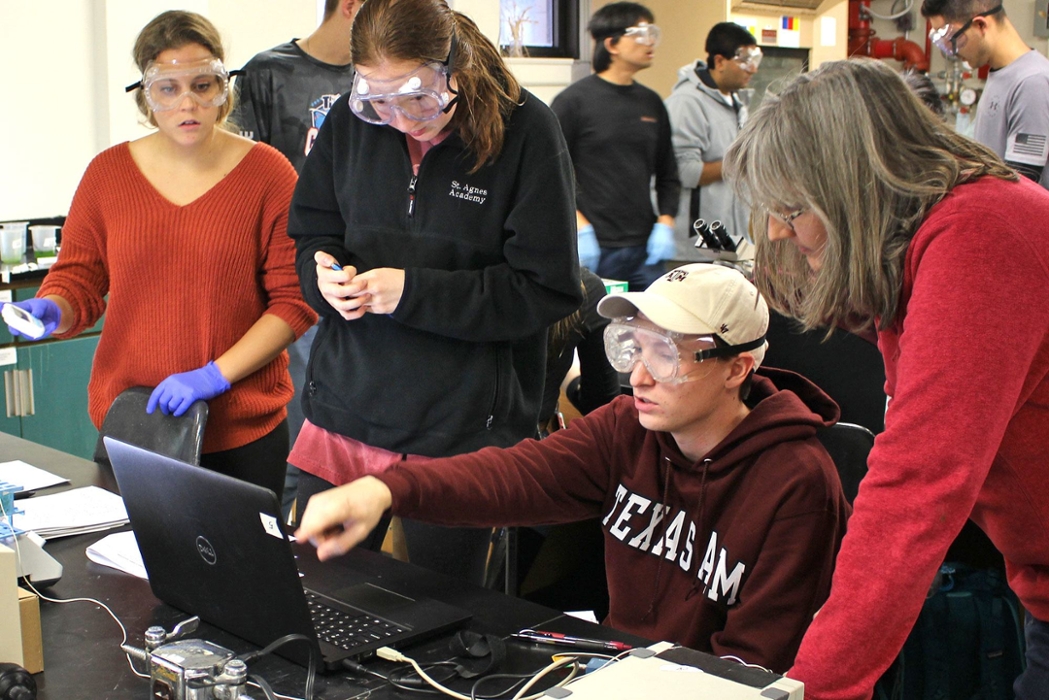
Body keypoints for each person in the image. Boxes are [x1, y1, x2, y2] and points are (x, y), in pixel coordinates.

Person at [296, 263, 851, 673]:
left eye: (668, 353)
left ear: (738, 368)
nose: (638, 375)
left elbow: (756, 666)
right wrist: (383, 491)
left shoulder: (796, 483)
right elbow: (515, 476)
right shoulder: (627, 426)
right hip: (620, 671)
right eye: (633, 347)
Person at [724, 57, 1049, 699]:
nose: (777, 230)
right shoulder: (933, 233)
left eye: (792, 208)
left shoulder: (982, 232)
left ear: (852, 188)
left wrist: (813, 689)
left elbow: (917, 484)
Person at [286, 0, 582, 584]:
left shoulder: (527, 130)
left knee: (444, 611)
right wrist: (322, 276)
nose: (400, 117)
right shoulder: (351, 122)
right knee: (319, 596)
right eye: (379, 99)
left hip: (462, 426)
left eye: (418, 96)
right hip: (348, 407)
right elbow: (312, 230)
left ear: (457, 67)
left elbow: (545, 289)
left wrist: (413, 293)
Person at [0, 10, 317, 499]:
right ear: (147, 98)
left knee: (240, 573)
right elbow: (78, 280)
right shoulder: (107, 175)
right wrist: (53, 308)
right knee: (125, 572)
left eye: (203, 84)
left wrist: (215, 375)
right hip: (135, 426)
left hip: (241, 433)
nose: (187, 103)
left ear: (223, 89)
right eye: (168, 88)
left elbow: (294, 302)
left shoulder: (269, 175)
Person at [231, 0, 364, 517]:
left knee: (345, 430)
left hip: (362, 276)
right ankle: (283, 547)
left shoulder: (379, 75)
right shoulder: (270, 73)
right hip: (293, 274)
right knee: (296, 426)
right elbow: (242, 178)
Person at [550, 2, 681, 290]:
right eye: (641, 33)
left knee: (654, 331)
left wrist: (666, 222)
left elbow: (668, 173)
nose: (650, 42)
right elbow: (548, 175)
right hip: (595, 248)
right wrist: (579, 226)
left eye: (652, 33)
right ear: (612, 44)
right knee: (597, 332)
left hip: (645, 250)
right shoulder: (573, 102)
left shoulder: (651, 103)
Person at [923, 0, 1049, 188]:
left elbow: (1023, 184)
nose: (952, 52)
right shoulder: (1000, 75)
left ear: (980, 25)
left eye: (953, 40)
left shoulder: (1032, 82)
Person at [664, 22, 760, 264]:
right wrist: (741, 161)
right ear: (719, 61)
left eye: (755, 59)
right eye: (745, 60)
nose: (753, 69)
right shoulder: (687, 103)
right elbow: (685, 172)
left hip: (729, 243)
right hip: (694, 250)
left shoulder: (735, 103)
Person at [538, 267, 621, 437]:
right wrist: (569, 378)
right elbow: (602, 405)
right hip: (526, 447)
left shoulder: (474, 290)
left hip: (472, 451)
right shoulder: (584, 287)